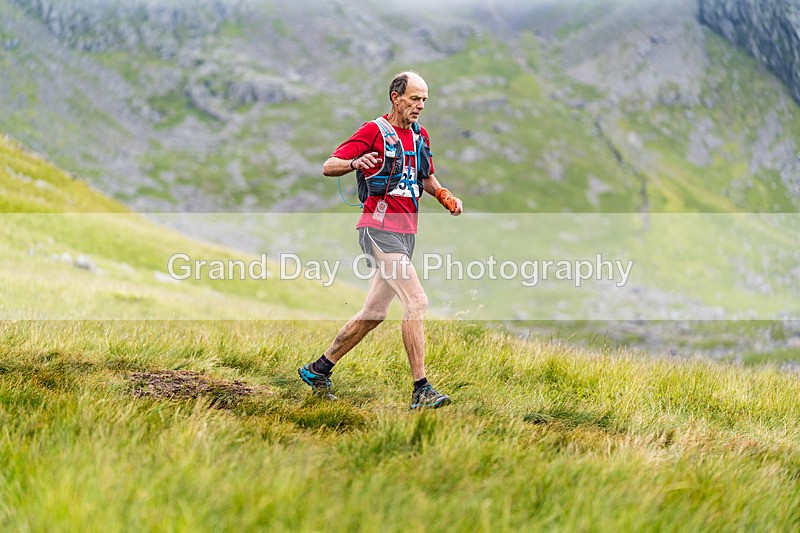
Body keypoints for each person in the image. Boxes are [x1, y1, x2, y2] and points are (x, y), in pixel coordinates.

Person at [298, 71, 463, 410]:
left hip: (406, 233)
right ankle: (421, 389)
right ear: (395, 96)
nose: (420, 106)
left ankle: (319, 368)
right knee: (417, 302)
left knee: (374, 313)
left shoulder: (419, 136)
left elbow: (425, 177)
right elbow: (329, 165)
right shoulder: (374, 130)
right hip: (378, 228)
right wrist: (355, 162)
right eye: (414, 98)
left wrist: (444, 195)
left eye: (424, 100)